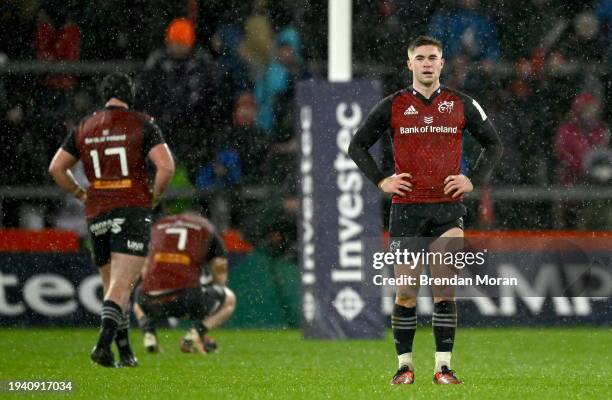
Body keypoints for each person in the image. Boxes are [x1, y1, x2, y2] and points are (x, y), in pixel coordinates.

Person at [348, 35, 502, 385]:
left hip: (447, 211)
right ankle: (404, 366)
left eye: (433, 57)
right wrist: (381, 180)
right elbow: (356, 145)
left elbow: (494, 144)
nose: (427, 63)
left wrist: (472, 179)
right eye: (421, 58)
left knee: (445, 289)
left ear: (442, 63)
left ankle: (443, 367)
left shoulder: (461, 103)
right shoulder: (394, 105)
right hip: (407, 211)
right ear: (410, 64)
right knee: (406, 292)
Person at [48, 73, 175, 367]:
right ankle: (103, 346)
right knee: (122, 283)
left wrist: (81, 193)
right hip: (130, 206)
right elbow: (166, 167)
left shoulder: (84, 126)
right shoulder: (142, 123)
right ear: (128, 95)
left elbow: (56, 168)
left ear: (104, 95)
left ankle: (125, 351)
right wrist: (153, 197)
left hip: (96, 212)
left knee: (114, 286)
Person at [133, 209, 236, 354]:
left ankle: (149, 334)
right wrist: (217, 291)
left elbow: (144, 266)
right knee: (229, 299)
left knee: (138, 294)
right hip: (186, 297)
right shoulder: (205, 227)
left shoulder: (159, 225)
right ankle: (195, 334)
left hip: (150, 299)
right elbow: (220, 266)